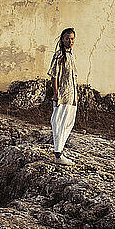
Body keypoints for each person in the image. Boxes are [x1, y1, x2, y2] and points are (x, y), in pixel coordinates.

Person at [48, 28, 78, 165]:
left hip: (71, 95)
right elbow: (54, 75)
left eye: (72, 38)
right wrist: (55, 92)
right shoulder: (59, 55)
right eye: (67, 38)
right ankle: (58, 154)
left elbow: (73, 77)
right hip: (62, 95)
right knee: (58, 122)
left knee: (68, 123)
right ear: (62, 39)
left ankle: (60, 150)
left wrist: (76, 95)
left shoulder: (71, 55)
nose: (70, 41)